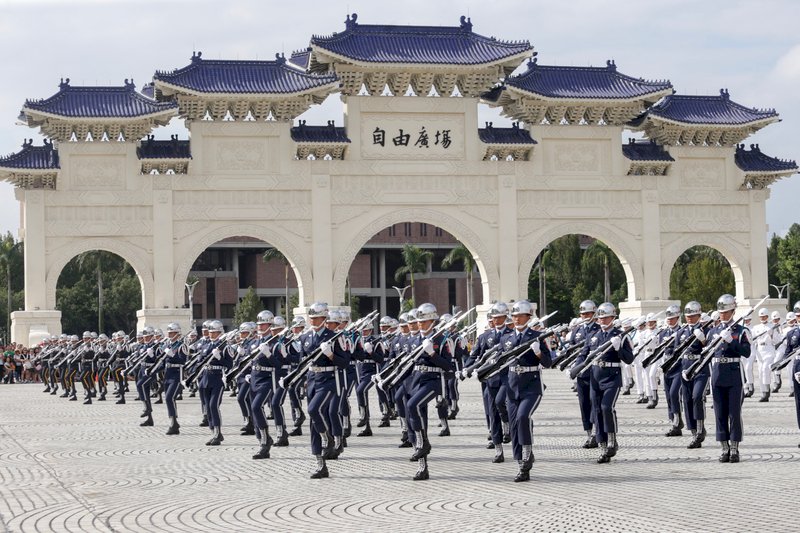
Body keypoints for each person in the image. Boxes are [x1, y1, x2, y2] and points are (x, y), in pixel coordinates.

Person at [501, 300, 552, 482]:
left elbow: (548, 362)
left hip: (532, 386)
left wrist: (538, 353)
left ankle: (527, 455)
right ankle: (520, 463)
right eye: (513, 316)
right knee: (515, 424)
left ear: (528, 317)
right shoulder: (506, 338)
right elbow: (501, 362)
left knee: (523, 417)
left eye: (519, 315)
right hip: (512, 387)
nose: (516, 319)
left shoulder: (537, 337)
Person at [578, 302, 634, 463]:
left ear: (613, 317)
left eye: (606, 317)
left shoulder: (621, 336)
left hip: (612, 377)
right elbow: (584, 354)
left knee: (606, 407)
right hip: (595, 377)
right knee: (596, 410)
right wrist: (576, 367)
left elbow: (629, 359)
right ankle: (603, 446)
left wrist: (618, 349)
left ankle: (612, 439)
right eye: (600, 317)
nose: (602, 320)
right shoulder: (593, 335)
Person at [405, 303, 455, 481]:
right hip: (415, 381)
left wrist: (432, 354)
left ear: (433, 321)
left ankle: (423, 443)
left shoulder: (442, 339)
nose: (420, 324)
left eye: (424, 321)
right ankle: (422, 468)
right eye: (419, 322)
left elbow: (450, 367)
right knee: (415, 423)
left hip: (433, 381)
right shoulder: (413, 340)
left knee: (413, 405)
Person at [300, 302, 350, 479]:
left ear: (325, 318)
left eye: (318, 318)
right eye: (312, 318)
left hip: (328, 381)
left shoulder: (335, 337)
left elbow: (344, 362)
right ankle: (321, 465)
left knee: (313, 410)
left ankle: (327, 437)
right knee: (313, 423)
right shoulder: (305, 337)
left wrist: (331, 355)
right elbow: (303, 363)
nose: (314, 321)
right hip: (312, 380)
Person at [706, 294, 751, 463]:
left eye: (726, 312)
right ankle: (724, 447)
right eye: (721, 312)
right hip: (717, 373)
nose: (723, 315)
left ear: (733, 311)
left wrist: (731, 341)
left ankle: (734, 448)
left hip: (733, 374)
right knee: (719, 413)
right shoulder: (713, 331)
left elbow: (746, 352)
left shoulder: (741, 331)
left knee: (734, 412)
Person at [677, 303, 711, 449]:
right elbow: (677, 352)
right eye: (688, 316)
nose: (690, 319)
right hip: (685, 369)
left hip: (700, 369)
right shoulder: (681, 332)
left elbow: (711, 350)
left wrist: (704, 341)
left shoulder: (707, 330)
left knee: (697, 397)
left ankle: (699, 429)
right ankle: (693, 431)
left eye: (693, 316)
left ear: (699, 315)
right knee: (687, 401)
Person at [198, 320, 234, 446]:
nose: (212, 334)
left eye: (214, 332)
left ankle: (218, 433)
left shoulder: (225, 347)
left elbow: (230, 365)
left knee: (214, 405)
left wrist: (220, 358)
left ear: (220, 332)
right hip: (205, 379)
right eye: (210, 332)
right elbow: (200, 361)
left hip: (217, 379)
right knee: (207, 407)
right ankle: (213, 431)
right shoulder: (206, 345)